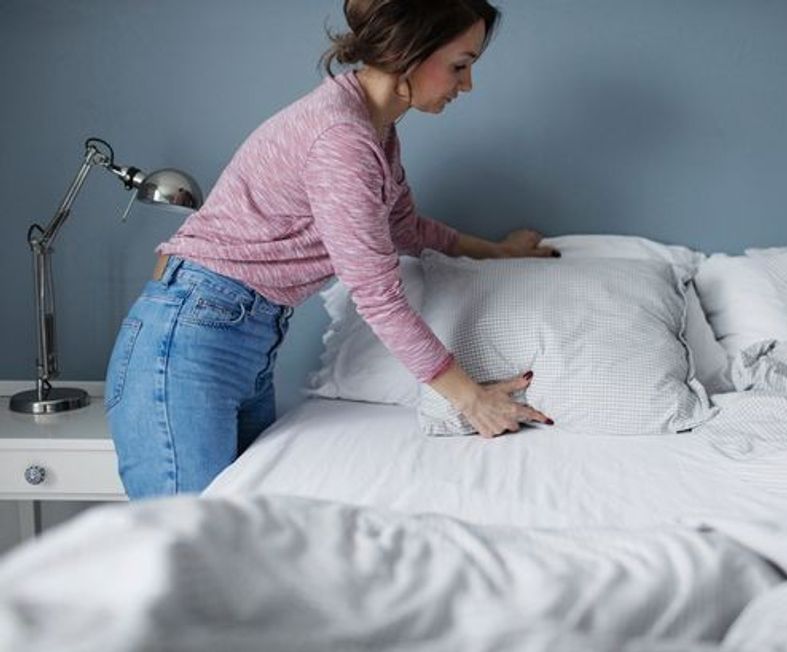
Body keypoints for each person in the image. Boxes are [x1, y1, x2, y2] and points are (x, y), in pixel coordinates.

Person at [104, 0, 557, 500]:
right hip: (193, 334)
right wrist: (471, 400)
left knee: (234, 529)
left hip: (235, 331)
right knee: (186, 534)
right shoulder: (343, 139)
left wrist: (498, 252)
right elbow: (378, 296)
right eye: (460, 65)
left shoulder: (375, 131)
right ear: (411, 51)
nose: (466, 84)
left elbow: (405, 228)